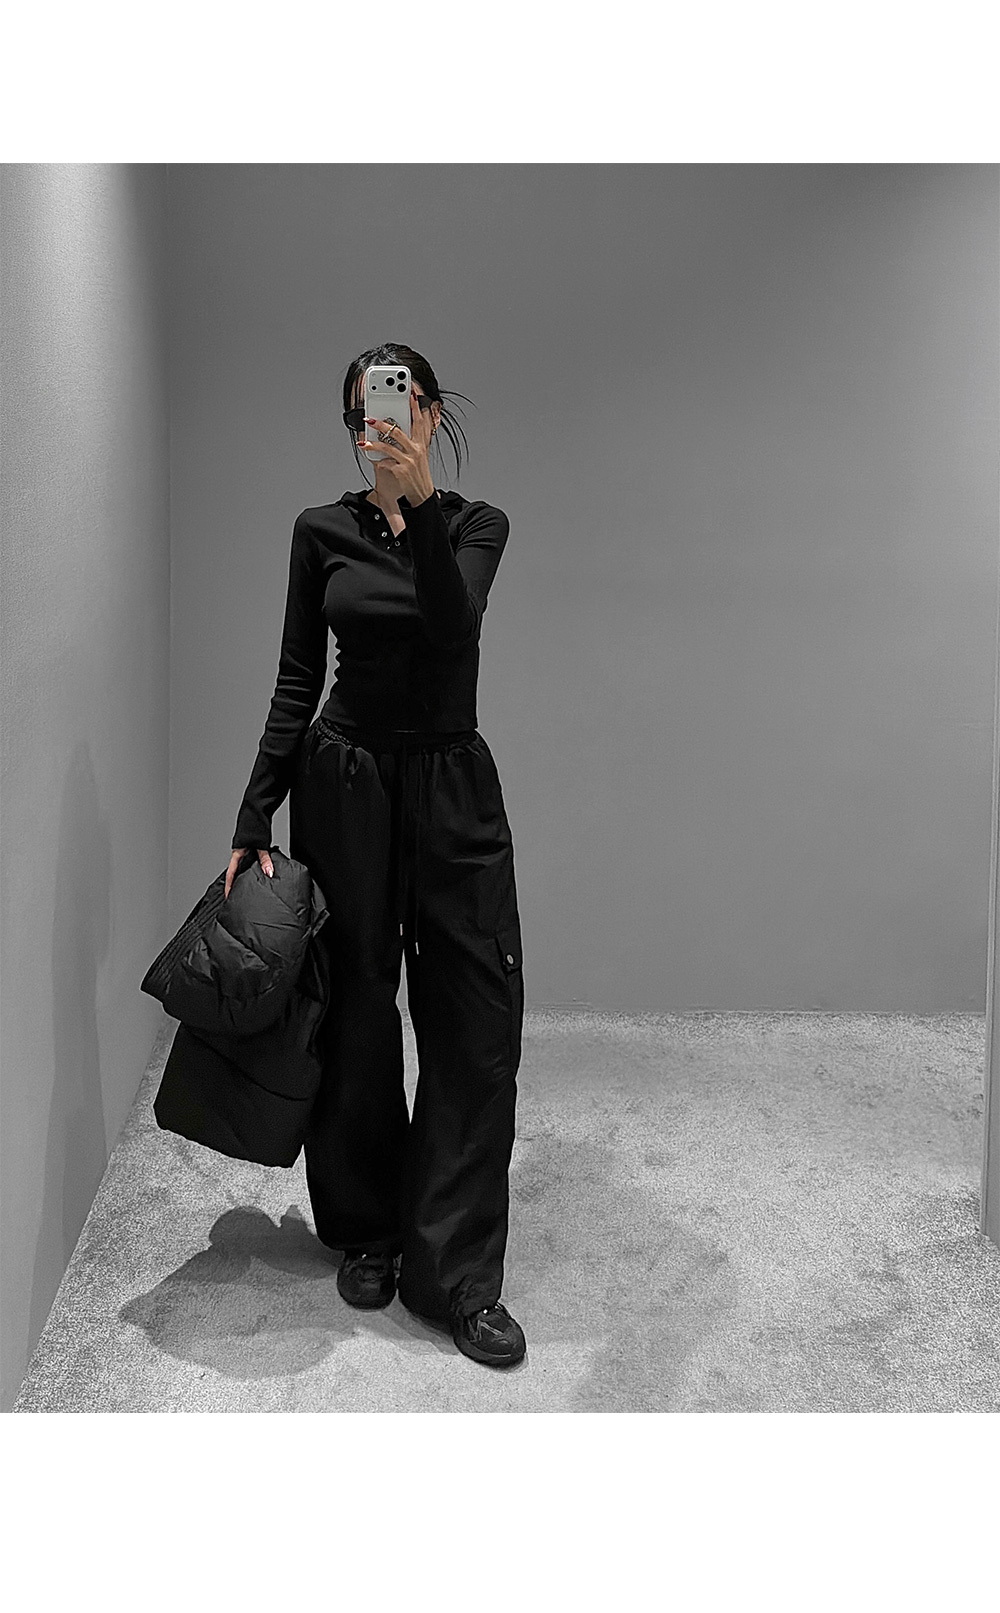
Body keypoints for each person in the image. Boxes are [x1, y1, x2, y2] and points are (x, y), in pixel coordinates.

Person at [225, 344, 526, 1368]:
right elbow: (296, 677)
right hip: (345, 782)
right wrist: (254, 813)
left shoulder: (475, 525)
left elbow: (452, 631)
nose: (380, 425)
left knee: (473, 1016)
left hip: (450, 782)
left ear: (429, 413)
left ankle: (458, 1273)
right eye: (364, 412)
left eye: (397, 405)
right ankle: (368, 1228)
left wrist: (419, 505)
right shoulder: (321, 531)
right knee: (355, 1007)